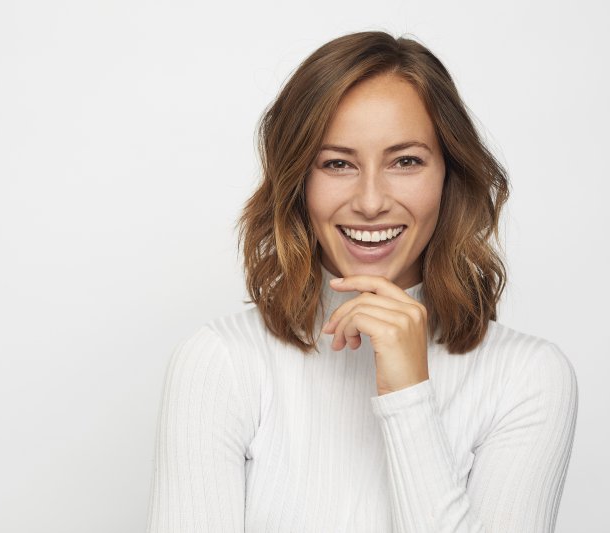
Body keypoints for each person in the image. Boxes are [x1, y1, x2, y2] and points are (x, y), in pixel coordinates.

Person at [145, 31, 578, 532]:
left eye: (406, 161)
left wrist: (408, 397)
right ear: (298, 181)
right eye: (337, 164)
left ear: (449, 174)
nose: (371, 201)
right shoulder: (220, 363)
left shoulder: (528, 378)